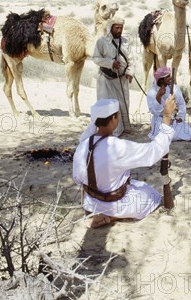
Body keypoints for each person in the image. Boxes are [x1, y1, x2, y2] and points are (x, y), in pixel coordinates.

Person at [73, 97, 177, 229]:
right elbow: (154, 151)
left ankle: (97, 213)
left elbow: (77, 179)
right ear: (114, 119)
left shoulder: (82, 145)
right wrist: (167, 116)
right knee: (152, 196)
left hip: (90, 202)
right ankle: (110, 217)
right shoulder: (118, 147)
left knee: (134, 184)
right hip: (114, 204)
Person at [92, 16, 134, 136]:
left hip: (121, 79)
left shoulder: (125, 42)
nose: (119, 30)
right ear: (111, 28)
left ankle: (124, 127)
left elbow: (131, 60)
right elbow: (95, 58)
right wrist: (110, 63)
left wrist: (130, 72)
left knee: (123, 104)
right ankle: (111, 131)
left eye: (121, 28)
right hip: (106, 79)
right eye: (117, 28)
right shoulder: (101, 42)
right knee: (109, 105)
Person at [147, 66, 191, 141]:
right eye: (168, 77)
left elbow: (181, 104)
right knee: (166, 136)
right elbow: (154, 111)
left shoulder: (175, 88)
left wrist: (180, 117)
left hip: (174, 120)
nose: (170, 78)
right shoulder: (152, 92)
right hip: (159, 121)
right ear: (161, 80)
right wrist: (158, 97)